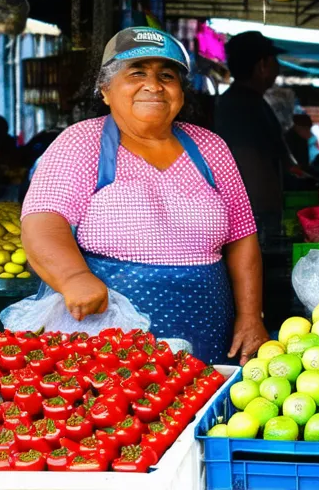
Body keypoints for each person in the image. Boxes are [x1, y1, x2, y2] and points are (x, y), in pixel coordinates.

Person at [21, 27, 270, 365]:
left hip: (207, 322)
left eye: (166, 75)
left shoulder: (211, 148)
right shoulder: (80, 142)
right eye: (137, 73)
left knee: (200, 409)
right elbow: (44, 221)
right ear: (106, 90)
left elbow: (242, 238)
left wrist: (251, 316)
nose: (154, 85)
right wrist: (73, 278)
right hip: (108, 329)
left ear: (181, 92)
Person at [213, 31, 298, 240]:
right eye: (274, 61)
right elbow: (249, 161)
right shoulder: (241, 106)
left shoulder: (250, 101)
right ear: (263, 65)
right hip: (254, 220)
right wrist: (266, 218)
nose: (278, 67)